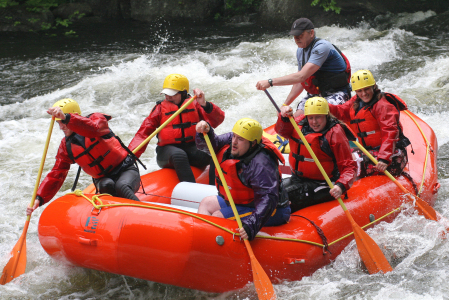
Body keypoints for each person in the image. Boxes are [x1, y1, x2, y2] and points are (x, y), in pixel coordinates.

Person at [27, 98, 141, 216]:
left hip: (125, 170)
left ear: (73, 116)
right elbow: (57, 173)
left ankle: (141, 215)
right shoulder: (66, 146)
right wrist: (39, 198)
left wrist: (67, 118)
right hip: (102, 179)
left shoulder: (97, 119)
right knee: (106, 185)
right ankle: (117, 218)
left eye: (63, 122)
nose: (61, 127)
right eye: (59, 123)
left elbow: (94, 128)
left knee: (121, 186)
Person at [196, 118, 291, 241]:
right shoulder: (233, 140)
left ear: (252, 143)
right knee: (206, 202)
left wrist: (251, 225)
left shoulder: (261, 163)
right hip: (245, 202)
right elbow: (211, 144)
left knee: (218, 216)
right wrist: (206, 132)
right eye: (234, 136)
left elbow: (268, 199)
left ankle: (213, 247)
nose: (234, 142)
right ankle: (203, 241)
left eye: (240, 139)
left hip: (273, 210)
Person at [128, 74, 225, 183]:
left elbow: (218, 120)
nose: (168, 97)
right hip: (167, 153)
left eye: (172, 94)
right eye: (166, 94)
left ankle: (213, 189)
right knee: (178, 154)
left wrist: (204, 104)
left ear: (183, 93)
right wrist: (129, 157)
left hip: (191, 149)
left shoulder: (195, 104)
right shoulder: (159, 109)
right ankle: (191, 193)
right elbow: (143, 134)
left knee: (214, 151)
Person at [256, 18, 351, 117]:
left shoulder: (322, 47)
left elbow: (301, 76)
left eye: (300, 35)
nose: (296, 38)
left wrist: (270, 82)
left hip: (337, 93)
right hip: (317, 94)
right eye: (294, 35)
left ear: (311, 33)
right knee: (297, 119)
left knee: (315, 116)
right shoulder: (300, 50)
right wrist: (285, 104)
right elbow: (301, 82)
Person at [276, 97, 357, 213]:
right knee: (270, 192)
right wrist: (283, 118)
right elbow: (282, 131)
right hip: (298, 179)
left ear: (326, 115)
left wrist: (341, 185)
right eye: (311, 117)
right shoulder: (300, 122)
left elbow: (349, 166)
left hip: (324, 184)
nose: (314, 122)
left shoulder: (335, 132)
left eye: (318, 117)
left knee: (280, 198)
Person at [328, 69, 410, 178]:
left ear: (373, 87)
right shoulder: (357, 100)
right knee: (338, 158)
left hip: (392, 155)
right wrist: (325, 106)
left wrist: (384, 158)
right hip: (369, 151)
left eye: (367, 89)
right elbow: (341, 112)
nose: (363, 93)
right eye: (359, 91)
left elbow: (390, 132)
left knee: (350, 163)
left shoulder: (383, 105)